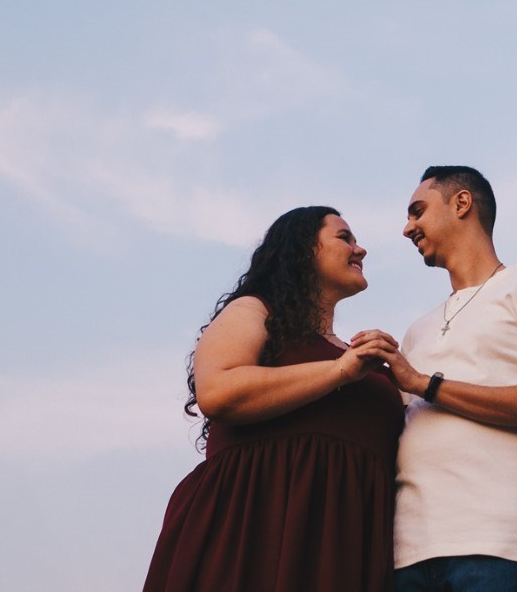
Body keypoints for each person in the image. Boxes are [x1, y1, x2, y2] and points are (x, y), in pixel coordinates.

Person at [143, 205, 404, 592]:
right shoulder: (253, 311)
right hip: (253, 526)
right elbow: (218, 392)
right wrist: (341, 371)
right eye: (344, 237)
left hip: (345, 539)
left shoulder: (363, 357)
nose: (360, 249)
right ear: (302, 249)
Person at [375, 166, 517, 592]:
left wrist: (422, 383)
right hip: (406, 554)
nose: (406, 228)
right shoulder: (418, 329)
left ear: (462, 203)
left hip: (498, 546)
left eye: (417, 212)